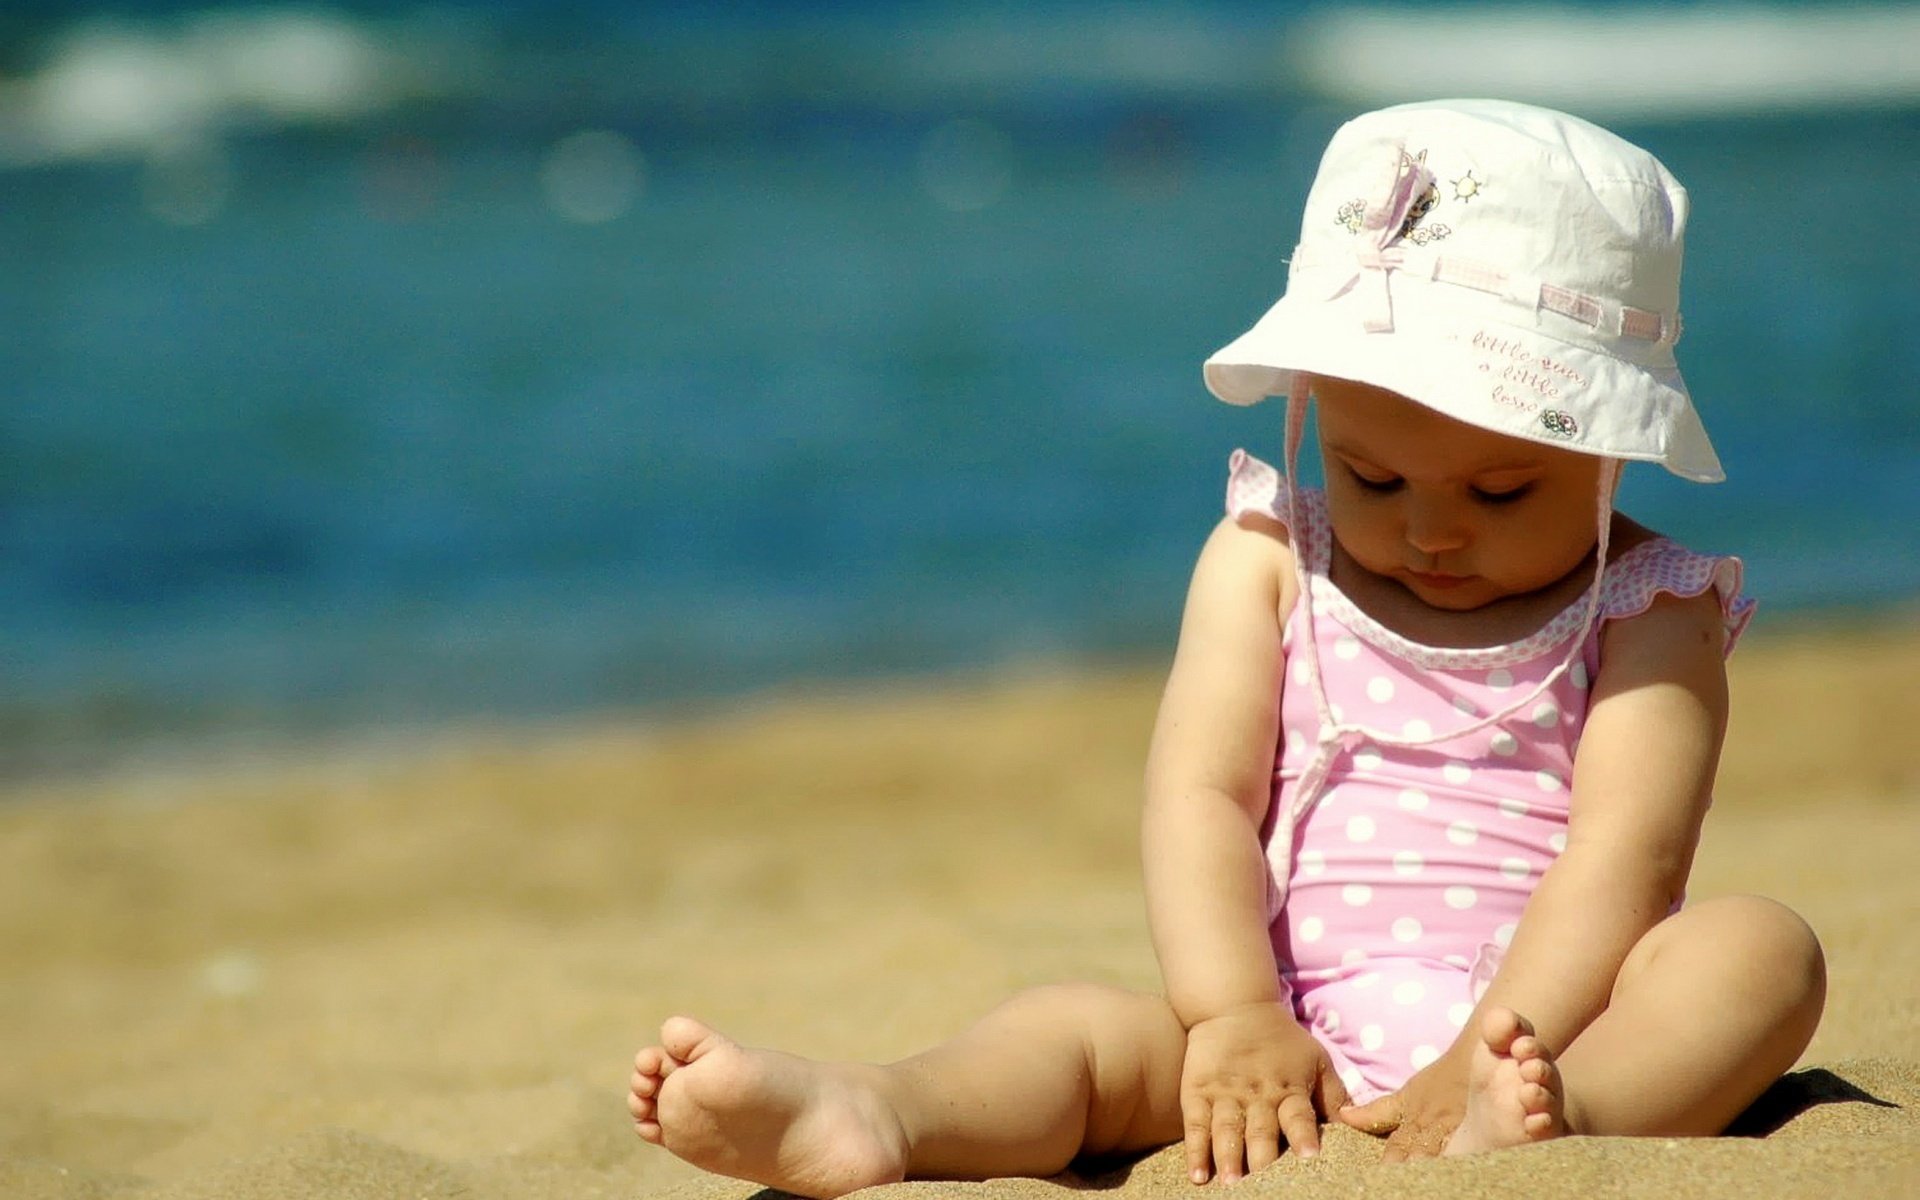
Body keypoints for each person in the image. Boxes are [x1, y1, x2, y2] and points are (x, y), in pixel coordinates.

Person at [625, 99, 1826, 1197]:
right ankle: (880, 1110)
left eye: (1505, 491)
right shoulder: (1265, 561)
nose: (1428, 528)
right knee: (1074, 1032)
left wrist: (1492, 1049)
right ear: (1313, 403)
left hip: (1552, 1028)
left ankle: (1569, 1124)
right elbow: (1199, 795)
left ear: (1612, 452)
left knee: (1759, 952)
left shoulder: (1651, 605)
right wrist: (1234, 1011)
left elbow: (1628, 861)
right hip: (1285, 1035)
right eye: (1370, 474)